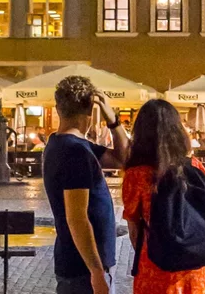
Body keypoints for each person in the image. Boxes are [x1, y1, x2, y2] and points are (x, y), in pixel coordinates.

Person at [43, 76, 131, 294]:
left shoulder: (62, 144)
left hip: (76, 265)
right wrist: (97, 272)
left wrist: (115, 123)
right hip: (82, 270)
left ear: (57, 109)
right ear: (91, 113)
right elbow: (77, 219)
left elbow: (123, 159)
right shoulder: (76, 153)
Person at [122, 99, 205, 294]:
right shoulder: (195, 166)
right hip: (195, 271)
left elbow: (134, 230)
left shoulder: (137, 174)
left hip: (155, 269)